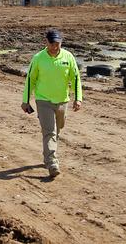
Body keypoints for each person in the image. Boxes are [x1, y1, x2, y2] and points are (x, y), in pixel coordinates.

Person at [21, 29, 82, 178]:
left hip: (62, 100)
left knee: (58, 129)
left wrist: (78, 98)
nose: (55, 47)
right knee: (50, 131)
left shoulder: (68, 57)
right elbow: (31, 79)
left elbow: (75, 78)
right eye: (52, 43)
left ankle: (47, 153)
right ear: (46, 42)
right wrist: (25, 100)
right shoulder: (38, 58)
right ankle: (52, 162)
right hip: (43, 100)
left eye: (58, 44)